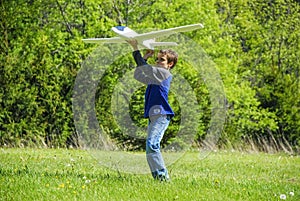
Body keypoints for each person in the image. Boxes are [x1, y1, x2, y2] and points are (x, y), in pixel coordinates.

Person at [127, 39, 178, 181]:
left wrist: (135, 47)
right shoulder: (154, 77)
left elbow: (145, 68)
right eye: (157, 59)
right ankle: (158, 178)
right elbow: (138, 74)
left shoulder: (163, 74)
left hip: (161, 115)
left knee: (152, 145)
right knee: (150, 149)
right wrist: (145, 57)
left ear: (170, 64)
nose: (157, 62)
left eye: (161, 60)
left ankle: (163, 178)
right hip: (153, 116)